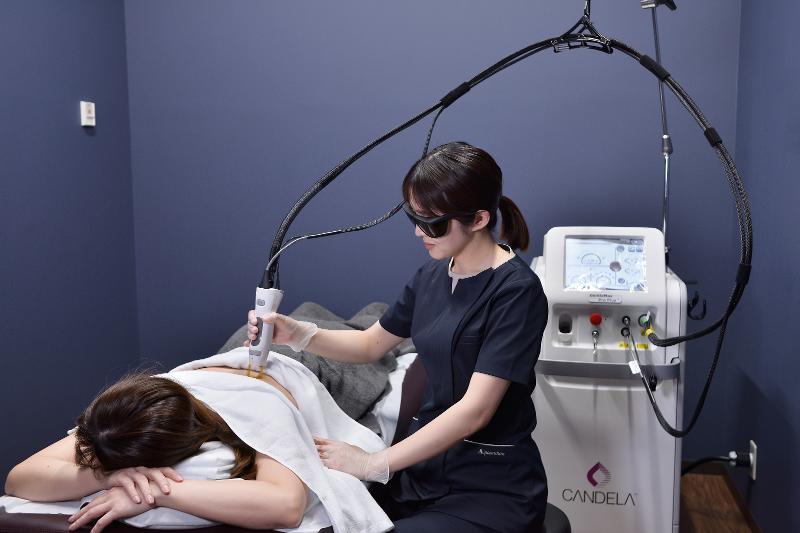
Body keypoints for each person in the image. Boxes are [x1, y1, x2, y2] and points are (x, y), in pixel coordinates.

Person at [247, 141, 549, 532]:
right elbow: (370, 344)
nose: (420, 232)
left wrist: (373, 463)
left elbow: (475, 411)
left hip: (488, 487)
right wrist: (299, 334)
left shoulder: (516, 292)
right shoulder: (433, 274)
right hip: (421, 475)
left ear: (478, 219)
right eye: (414, 218)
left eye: (433, 223)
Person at [4, 369, 308, 533]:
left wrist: (154, 492)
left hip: (297, 370)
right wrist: (105, 478)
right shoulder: (129, 416)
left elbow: (287, 507)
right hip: (227, 362)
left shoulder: (262, 409)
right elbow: (18, 480)